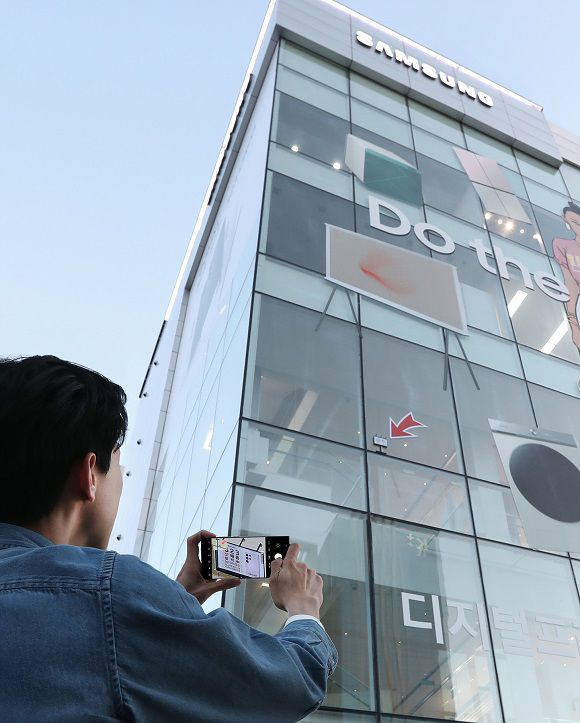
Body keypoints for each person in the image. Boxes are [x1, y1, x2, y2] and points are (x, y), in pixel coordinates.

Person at [0, 354, 337, 722]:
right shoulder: (109, 592)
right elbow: (286, 685)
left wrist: (176, 599)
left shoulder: (108, 601)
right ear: (89, 476)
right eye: (119, 466)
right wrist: (304, 608)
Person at [553, 201, 580, 350]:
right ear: (566, 221)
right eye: (575, 223)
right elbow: (569, 283)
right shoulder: (561, 244)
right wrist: (573, 323)